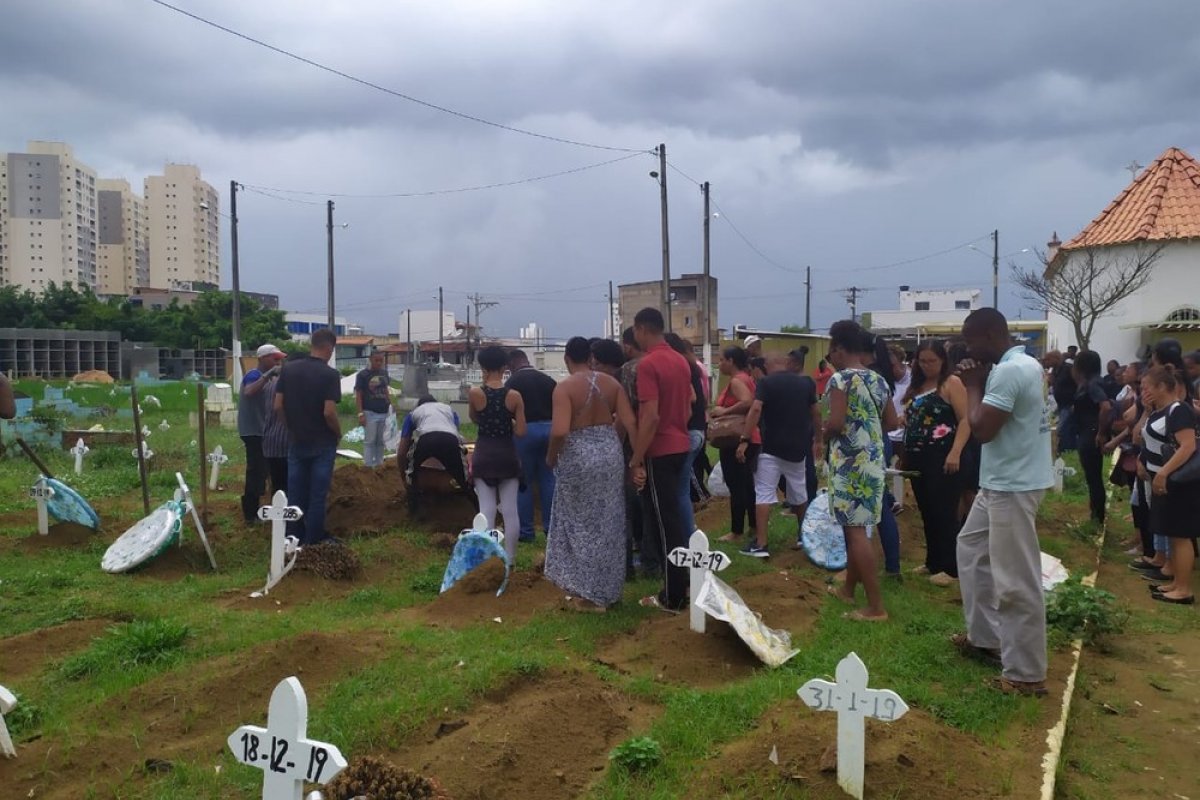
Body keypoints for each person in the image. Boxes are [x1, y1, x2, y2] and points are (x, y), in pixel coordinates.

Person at [954, 308, 1053, 697]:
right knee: (972, 549)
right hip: (1001, 481)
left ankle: (1026, 674)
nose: (966, 349)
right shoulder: (1017, 365)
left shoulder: (1011, 371)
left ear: (993, 335)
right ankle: (987, 639)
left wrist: (973, 385)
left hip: (1013, 485)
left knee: (1015, 579)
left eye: (970, 340)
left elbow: (982, 430)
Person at [545, 337, 639, 611]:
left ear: (566, 358)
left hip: (578, 455)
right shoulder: (612, 384)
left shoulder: (564, 388)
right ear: (591, 357)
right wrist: (637, 459)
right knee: (608, 519)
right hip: (609, 452)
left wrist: (551, 457)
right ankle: (608, 589)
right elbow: (629, 420)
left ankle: (588, 592)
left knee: (581, 523)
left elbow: (561, 431)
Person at [824, 320, 898, 621]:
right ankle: (848, 590)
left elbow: (837, 423)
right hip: (873, 460)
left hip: (849, 462)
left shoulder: (840, 380)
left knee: (855, 533)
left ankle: (875, 607)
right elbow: (892, 422)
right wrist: (867, 431)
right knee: (855, 527)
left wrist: (823, 430)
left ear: (839, 349)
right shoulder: (879, 380)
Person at [630, 308, 694, 613]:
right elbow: (690, 404)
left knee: (664, 522)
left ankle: (675, 594)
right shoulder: (680, 360)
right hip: (681, 443)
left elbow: (650, 416)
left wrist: (636, 458)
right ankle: (680, 584)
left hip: (661, 449)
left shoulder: (649, 364)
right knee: (672, 518)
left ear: (642, 329)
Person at [736, 353, 820, 558]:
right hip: (798, 448)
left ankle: (761, 544)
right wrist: (818, 439)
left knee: (764, 492)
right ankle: (804, 536)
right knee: (799, 492)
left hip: (772, 447)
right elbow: (816, 411)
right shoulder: (806, 383)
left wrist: (745, 438)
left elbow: (756, 409)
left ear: (768, 365)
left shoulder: (766, 383)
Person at [901, 340, 971, 586]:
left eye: (932, 361)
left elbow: (965, 420)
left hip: (943, 455)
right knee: (928, 511)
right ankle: (933, 561)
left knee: (945, 511)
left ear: (942, 360)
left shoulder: (951, 383)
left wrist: (955, 452)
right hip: (917, 456)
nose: (927, 366)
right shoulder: (917, 386)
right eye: (923, 361)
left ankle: (952, 567)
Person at [1138, 365, 1198, 604]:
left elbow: (1188, 446)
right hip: (1164, 481)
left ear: (1162, 387)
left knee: (1181, 535)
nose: (1144, 392)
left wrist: (1163, 472)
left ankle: (1184, 590)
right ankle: (1176, 582)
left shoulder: (1179, 410)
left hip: (1178, 482)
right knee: (1173, 534)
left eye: (1147, 387)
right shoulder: (1160, 411)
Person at [275, 330, 341, 545]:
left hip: (296, 441)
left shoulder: (289, 370)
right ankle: (312, 542)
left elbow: (277, 406)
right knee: (317, 495)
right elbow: (329, 412)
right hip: (323, 443)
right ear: (329, 348)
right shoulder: (330, 375)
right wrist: (337, 433)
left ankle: (292, 538)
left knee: (295, 494)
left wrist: (290, 428)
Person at [470, 346, 527, 559]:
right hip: (507, 456)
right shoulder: (514, 396)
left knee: (487, 509)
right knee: (510, 510)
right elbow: (521, 431)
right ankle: (510, 560)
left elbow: (475, 418)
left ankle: (486, 559)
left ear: (483, 367)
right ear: (505, 367)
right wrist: (508, 423)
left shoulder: (475, 393)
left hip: (484, 454)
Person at [506, 349, 557, 543]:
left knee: (523, 482)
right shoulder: (548, 380)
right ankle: (551, 530)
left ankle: (526, 532)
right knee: (549, 480)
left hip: (525, 432)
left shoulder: (512, 383)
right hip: (550, 430)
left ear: (511, 365)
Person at [712, 346, 760, 545]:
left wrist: (723, 411)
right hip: (749, 438)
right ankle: (753, 525)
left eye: (722, 359)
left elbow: (748, 402)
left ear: (731, 361)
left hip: (736, 439)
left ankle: (737, 531)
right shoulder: (746, 378)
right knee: (747, 485)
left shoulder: (737, 380)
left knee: (737, 486)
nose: (719, 363)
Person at [665, 333, 708, 539]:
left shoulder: (681, 366)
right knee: (681, 490)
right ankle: (688, 533)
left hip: (688, 431)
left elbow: (690, 398)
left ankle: (686, 535)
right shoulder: (692, 366)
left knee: (678, 491)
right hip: (697, 430)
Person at [397, 395, 468, 516]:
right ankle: (475, 506)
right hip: (449, 439)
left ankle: (414, 512)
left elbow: (402, 450)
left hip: (426, 439)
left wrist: (404, 477)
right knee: (463, 478)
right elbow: (456, 435)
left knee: (412, 474)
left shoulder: (413, 413)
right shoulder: (449, 410)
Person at [238, 343, 285, 524]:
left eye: (279, 359)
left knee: (263, 470)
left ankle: (261, 508)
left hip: (262, 431)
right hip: (253, 432)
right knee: (256, 471)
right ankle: (251, 514)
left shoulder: (268, 379)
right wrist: (268, 375)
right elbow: (249, 391)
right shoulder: (254, 375)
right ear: (262, 358)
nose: (277, 362)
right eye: (274, 358)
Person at [1072, 351, 1113, 524]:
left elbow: (1105, 407)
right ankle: (1095, 513)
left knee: (1094, 477)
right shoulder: (1089, 382)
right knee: (1092, 477)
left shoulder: (1093, 384)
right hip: (1087, 432)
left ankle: (1097, 517)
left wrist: (1101, 432)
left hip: (1091, 434)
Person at [354, 351, 396, 468]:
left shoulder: (384, 373)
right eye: (376, 360)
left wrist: (391, 405)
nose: (378, 363)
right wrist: (360, 413)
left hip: (384, 412)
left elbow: (386, 390)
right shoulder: (363, 375)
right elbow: (358, 395)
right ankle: (368, 466)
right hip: (369, 412)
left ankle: (379, 464)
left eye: (381, 361)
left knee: (380, 441)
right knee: (370, 441)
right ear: (371, 360)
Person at [260, 363, 290, 498]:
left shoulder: (267, 387)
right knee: (287, 485)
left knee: (277, 484)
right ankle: (287, 516)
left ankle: (276, 515)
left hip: (269, 440)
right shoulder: (287, 387)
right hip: (285, 440)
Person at [1046, 350, 1078, 454]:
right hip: (1060, 404)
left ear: (1056, 358)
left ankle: (1067, 450)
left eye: (1048, 359)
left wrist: (1076, 402)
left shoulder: (1068, 368)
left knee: (1062, 429)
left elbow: (1078, 383)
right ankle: (1066, 450)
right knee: (1065, 429)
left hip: (1070, 404)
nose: (1047, 362)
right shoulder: (1055, 370)